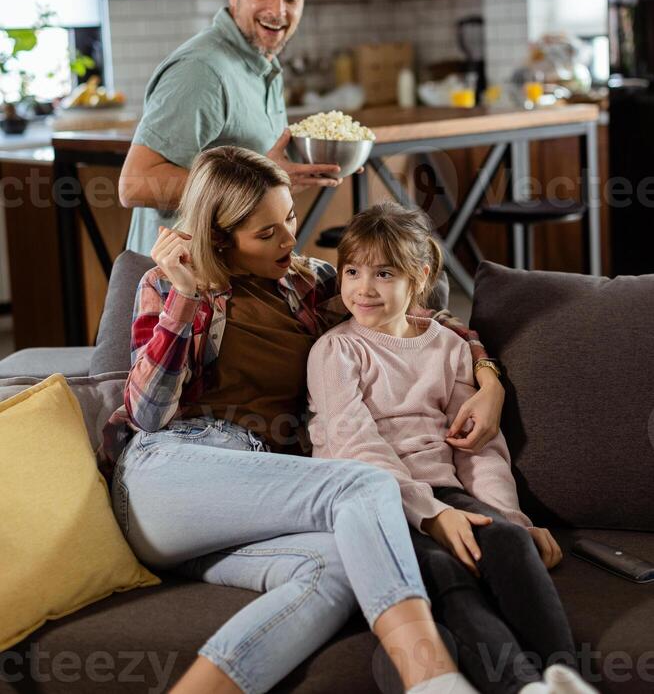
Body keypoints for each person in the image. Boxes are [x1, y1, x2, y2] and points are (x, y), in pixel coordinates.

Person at [99, 146, 506, 694]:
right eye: (266, 234)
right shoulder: (170, 285)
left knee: (340, 567)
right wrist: (186, 298)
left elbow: (419, 315)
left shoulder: (308, 283)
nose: (290, 240)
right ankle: (433, 681)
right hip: (169, 477)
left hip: (257, 496)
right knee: (365, 485)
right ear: (220, 238)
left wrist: (488, 377)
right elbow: (148, 416)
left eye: (289, 217)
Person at [306, 202, 595, 694]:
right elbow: (356, 446)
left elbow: (477, 448)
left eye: (383, 273)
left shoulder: (450, 347)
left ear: (418, 276)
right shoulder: (337, 349)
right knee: (443, 567)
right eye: (352, 271)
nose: (362, 287)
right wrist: (432, 514)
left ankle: (563, 678)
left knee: (504, 540)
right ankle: (524, 688)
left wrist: (510, 518)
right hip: (374, 499)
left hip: (444, 489)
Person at [119, 0, 342, 257]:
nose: (278, 11)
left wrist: (282, 175)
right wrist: (257, 184)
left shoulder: (262, 62)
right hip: (177, 288)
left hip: (230, 285)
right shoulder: (201, 70)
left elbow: (252, 167)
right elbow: (135, 184)